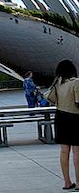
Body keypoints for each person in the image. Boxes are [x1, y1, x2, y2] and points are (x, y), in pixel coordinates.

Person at [44, 60, 79, 191]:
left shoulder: (57, 83)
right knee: (77, 151)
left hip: (60, 117)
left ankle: (67, 182)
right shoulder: (76, 82)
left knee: (64, 151)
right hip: (75, 118)